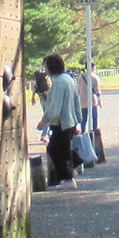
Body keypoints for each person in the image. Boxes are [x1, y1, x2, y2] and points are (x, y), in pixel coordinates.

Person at [39, 53, 81, 189]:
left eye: (46, 66)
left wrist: (44, 120)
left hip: (61, 122)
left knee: (55, 150)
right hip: (70, 120)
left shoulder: (58, 83)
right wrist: (78, 119)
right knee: (64, 149)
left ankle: (68, 177)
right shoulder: (68, 79)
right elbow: (76, 100)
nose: (45, 69)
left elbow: (55, 107)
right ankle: (74, 166)